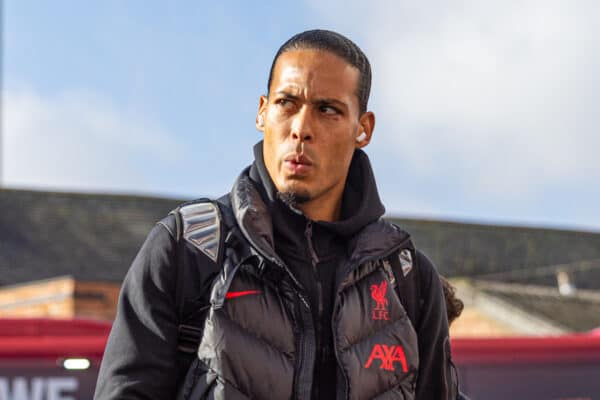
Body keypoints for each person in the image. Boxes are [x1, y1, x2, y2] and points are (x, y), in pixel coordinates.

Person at [95, 29, 458, 400]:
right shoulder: (189, 249)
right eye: (287, 103)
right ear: (262, 112)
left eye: (327, 110)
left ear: (362, 130)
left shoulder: (407, 277)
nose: (301, 129)